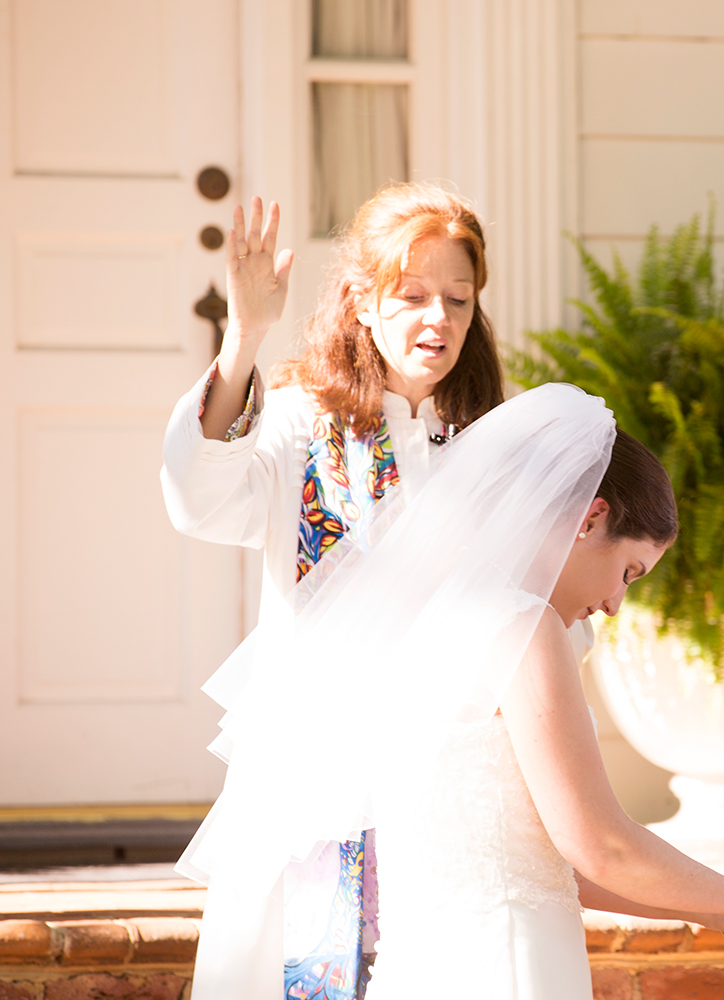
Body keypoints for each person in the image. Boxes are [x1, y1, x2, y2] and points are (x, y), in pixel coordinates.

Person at [182, 383, 724, 1000]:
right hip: (507, 966)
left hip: (421, 968)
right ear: (591, 517)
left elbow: (554, 858)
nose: (613, 603)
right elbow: (597, 845)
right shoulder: (523, 626)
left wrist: (716, 912)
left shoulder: (418, 626)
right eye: (629, 571)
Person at [161, 184, 507, 998]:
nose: (439, 320)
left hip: (443, 773)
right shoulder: (296, 421)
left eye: (458, 300)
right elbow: (198, 499)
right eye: (414, 296)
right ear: (361, 299)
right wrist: (244, 336)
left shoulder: (491, 439)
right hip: (312, 776)